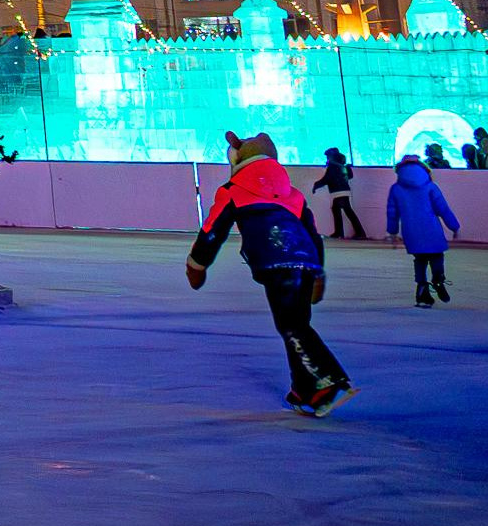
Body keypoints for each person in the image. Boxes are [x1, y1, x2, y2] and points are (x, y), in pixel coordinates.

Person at [186, 130, 349, 417]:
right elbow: (313, 235)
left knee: (291, 326)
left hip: (275, 263)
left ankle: (325, 379)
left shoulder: (233, 191)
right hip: (305, 262)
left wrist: (197, 264)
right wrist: (318, 271)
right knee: (297, 324)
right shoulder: (293, 195)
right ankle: (305, 390)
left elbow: (213, 230)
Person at [385, 154, 461, 307]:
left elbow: (392, 212)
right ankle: (438, 280)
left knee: (419, 259)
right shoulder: (430, 186)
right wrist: (454, 226)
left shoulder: (396, 188)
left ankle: (422, 290)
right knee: (436, 256)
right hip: (431, 228)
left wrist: (392, 231)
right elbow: (442, 208)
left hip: (411, 230)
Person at [311, 148, 365, 239]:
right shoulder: (342, 165)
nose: (327, 159)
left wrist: (316, 185)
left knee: (344, 210)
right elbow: (350, 176)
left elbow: (327, 179)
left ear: (332, 156)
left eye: (328, 157)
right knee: (340, 209)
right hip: (344, 191)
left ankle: (353, 233)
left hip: (338, 191)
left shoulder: (332, 166)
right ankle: (345, 232)